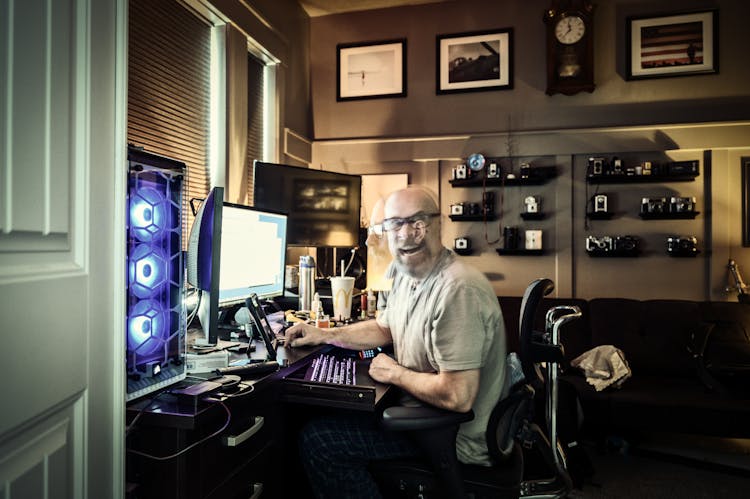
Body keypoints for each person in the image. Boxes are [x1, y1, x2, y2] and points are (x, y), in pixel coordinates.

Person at [285, 186, 507, 498]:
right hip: (426, 418)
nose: (401, 235)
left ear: (428, 226)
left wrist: (394, 373)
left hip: (449, 435)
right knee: (313, 418)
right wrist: (326, 334)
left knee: (320, 440)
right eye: (388, 226)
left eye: (415, 222)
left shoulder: (458, 289)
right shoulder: (410, 273)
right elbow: (385, 327)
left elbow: (458, 396)